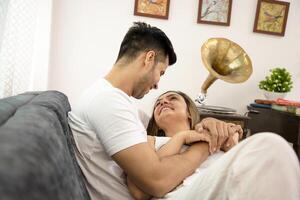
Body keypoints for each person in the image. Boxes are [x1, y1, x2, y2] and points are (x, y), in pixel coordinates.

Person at [68, 21, 236, 200]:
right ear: (148, 59)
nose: (157, 85)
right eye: (161, 72)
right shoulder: (108, 101)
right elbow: (156, 181)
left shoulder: (116, 101)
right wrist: (207, 144)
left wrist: (210, 125)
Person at [127, 91, 300, 200]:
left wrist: (232, 142)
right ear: (155, 120)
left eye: (172, 98)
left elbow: (241, 166)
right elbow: (141, 188)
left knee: (273, 153)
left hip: (225, 188)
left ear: (189, 111)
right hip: (180, 193)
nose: (163, 102)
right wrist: (181, 137)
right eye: (158, 102)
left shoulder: (212, 133)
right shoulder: (147, 139)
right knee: (270, 144)